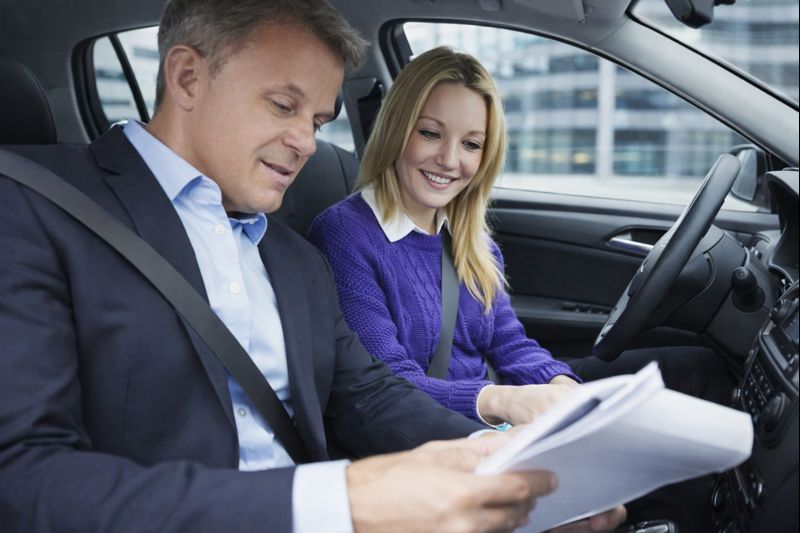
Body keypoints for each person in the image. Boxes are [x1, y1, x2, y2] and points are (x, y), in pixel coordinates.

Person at [0, 1, 628, 532]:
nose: (307, 141)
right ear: (188, 78)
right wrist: (342, 501)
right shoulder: (32, 207)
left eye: (320, 120)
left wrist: (499, 463)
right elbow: (21, 477)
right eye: (282, 106)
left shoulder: (292, 256)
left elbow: (365, 395)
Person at [307, 46, 731, 531]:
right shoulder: (345, 235)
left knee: (698, 374)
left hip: (499, 419)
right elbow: (383, 389)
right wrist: (500, 401)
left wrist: (560, 389)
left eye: (471, 144)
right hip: (437, 440)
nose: (449, 160)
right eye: (430, 133)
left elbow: (508, 342)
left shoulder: (469, 234)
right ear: (397, 130)